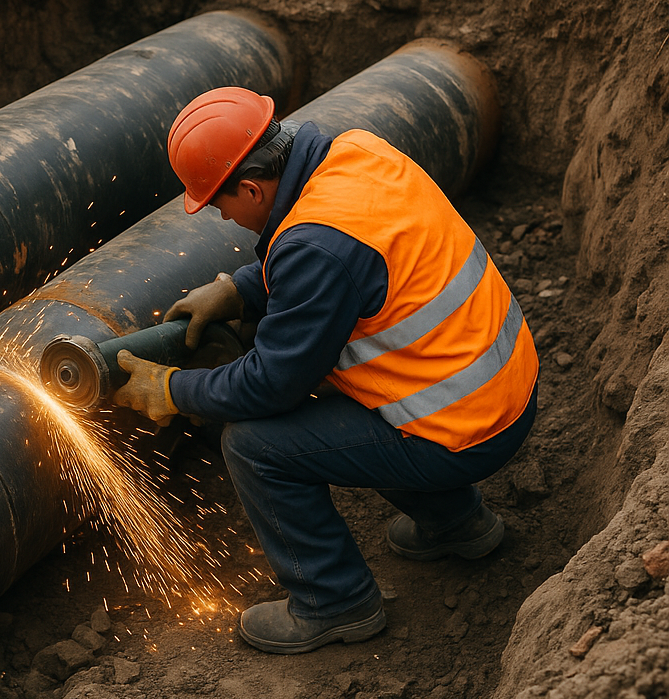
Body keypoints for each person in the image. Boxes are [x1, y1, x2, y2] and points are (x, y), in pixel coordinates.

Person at [113, 87, 539, 654]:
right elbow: (339, 257)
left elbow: (271, 383)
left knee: (254, 446)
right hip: (501, 388)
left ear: (251, 188)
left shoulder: (315, 247)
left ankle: (333, 602)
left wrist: (172, 389)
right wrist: (239, 289)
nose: (223, 216)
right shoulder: (356, 152)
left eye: (219, 204)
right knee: (357, 400)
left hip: (464, 431)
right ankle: (457, 523)